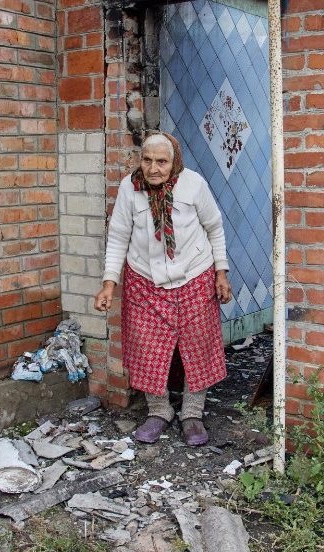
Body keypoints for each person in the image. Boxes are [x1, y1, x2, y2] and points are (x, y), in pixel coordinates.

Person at [94, 131, 231, 447]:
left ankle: (192, 414)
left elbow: (215, 228)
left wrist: (220, 273)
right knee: (146, 348)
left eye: (162, 161)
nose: (153, 168)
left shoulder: (193, 184)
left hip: (195, 277)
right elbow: (117, 238)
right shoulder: (130, 189)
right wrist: (108, 283)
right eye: (147, 160)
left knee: (199, 345)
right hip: (145, 281)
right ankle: (159, 411)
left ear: (174, 162)